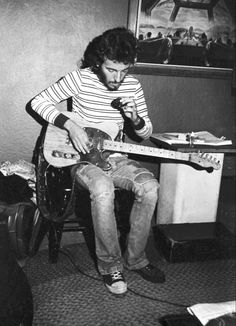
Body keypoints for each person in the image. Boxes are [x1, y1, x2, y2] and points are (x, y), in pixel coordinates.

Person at [29, 27, 165, 296]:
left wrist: (135, 118)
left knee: (150, 187)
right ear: (99, 61)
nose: (118, 77)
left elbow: (145, 131)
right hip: (81, 161)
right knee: (102, 188)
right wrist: (69, 125)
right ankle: (110, 266)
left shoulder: (133, 86)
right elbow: (38, 102)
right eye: (112, 69)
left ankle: (136, 258)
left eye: (124, 70)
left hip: (114, 157)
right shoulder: (79, 79)